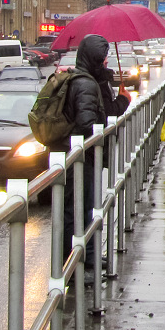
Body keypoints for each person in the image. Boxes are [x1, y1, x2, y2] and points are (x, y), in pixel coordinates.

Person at [61, 34, 131, 281]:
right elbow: (89, 123)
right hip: (81, 158)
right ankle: (75, 263)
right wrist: (121, 100)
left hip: (84, 158)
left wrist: (117, 95)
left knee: (87, 208)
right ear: (93, 59)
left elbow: (104, 112)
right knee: (77, 210)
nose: (105, 63)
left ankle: (88, 255)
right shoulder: (85, 84)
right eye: (102, 59)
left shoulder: (92, 81)